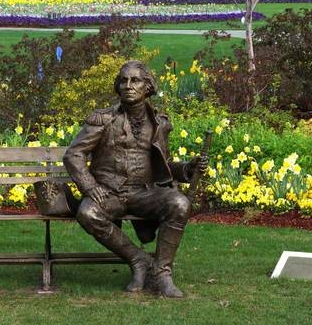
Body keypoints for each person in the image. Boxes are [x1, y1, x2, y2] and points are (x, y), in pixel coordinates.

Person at [63, 60, 207, 298]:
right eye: (124, 80)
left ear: (147, 87)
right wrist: (90, 186)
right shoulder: (103, 119)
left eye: (135, 80)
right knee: (88, 213)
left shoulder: (159, 123)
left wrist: (187, 169)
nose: (128, 85)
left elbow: (164, 165)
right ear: (118, 87)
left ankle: (162, 274)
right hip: (110, 192)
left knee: (180, 203)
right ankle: (138, 260)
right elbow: (74, 154)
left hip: (145, 192)